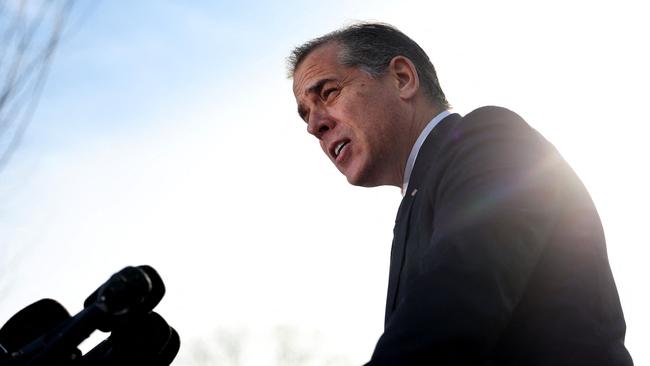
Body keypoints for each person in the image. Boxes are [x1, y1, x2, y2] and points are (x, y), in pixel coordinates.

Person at [288, 23, 632, 365]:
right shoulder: (413, 204)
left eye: (328, 93)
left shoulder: (490, 137)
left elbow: (455, 301)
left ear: (403, 78)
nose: (314, 125)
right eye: (305, 114)